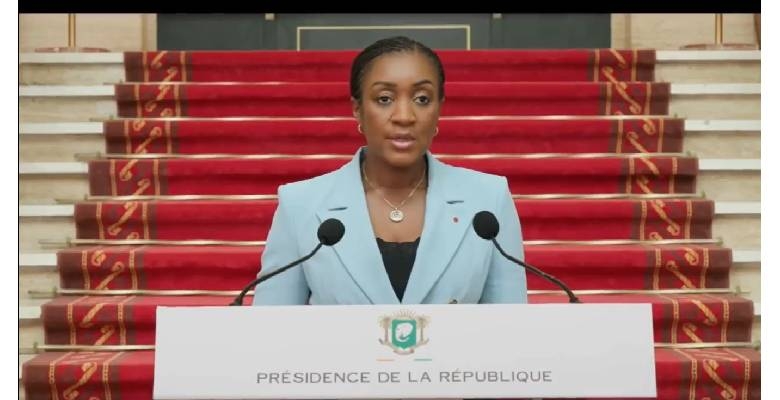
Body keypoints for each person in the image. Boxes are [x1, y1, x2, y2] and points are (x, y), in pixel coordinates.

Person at [252, 36, 527, 306]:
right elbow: (270, 326)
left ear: (439, 109)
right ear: (357, 110)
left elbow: (512, 325)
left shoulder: (489, 200)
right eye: (384, 99)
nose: (404, 116)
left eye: (422, 99)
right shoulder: (300, 205)